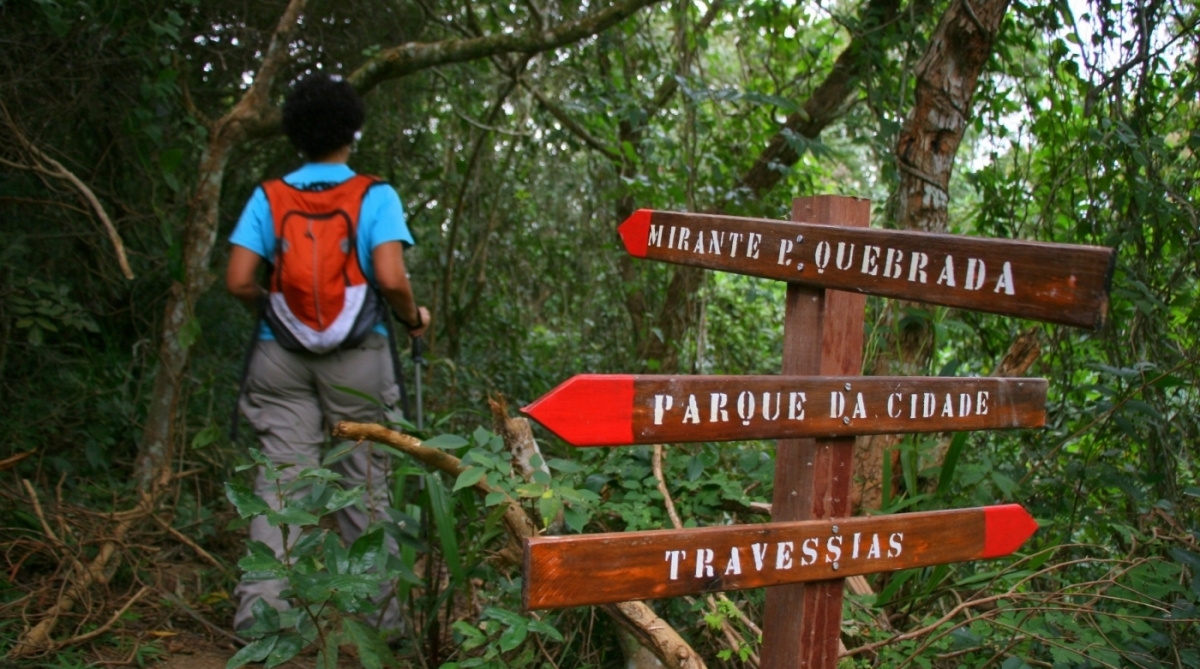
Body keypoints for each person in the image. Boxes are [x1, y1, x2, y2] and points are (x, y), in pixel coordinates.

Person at [225, 73, 429, 632]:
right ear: (352, 130)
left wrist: (277, 314)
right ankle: (380, 630)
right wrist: (414, 319)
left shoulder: (271, 196)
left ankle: (261, 625)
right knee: (365, 485)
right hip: (360, 356)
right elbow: (389, 275)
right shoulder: (373, 195)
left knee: (281, 486)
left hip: (278, 358)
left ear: (295, 133)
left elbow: (240, 279)